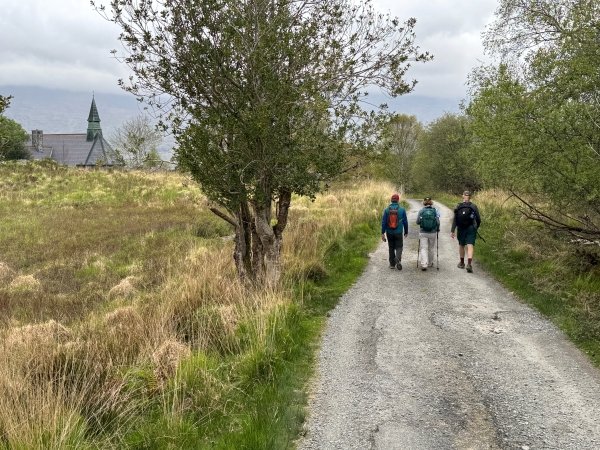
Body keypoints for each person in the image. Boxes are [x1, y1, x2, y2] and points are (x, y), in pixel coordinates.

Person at [450, 190, 482, 273]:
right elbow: (478, 219)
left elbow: (455, 219)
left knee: (461, 245)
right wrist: (476, 227)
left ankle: (461, 263)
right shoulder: (473, 206)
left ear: (463, 196)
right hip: (471, 228)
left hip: (461, 228)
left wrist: (452, 230)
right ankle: (469, 264)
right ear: (470, 197)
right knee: (470, 245)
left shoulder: (458, 206)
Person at [381, 193, 408, 270]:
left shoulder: (386, 210)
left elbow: (384, 222)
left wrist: (382, 233)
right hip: (398, 232)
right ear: (398, 200)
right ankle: (397, 258)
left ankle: (392, 264)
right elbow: (405, 222)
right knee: (399, 246)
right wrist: (406, 231)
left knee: (391, 247)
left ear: (391, 200)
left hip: (389, 232)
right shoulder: (402, 210)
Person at [416, 197, 440, 271]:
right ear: (431, 202)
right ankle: (430, 263)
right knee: (431, 248)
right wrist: (438, 229)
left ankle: (424, 264)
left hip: (423, 232)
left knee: (423, 248)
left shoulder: (421, 211)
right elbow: (438, 222)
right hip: (432, 232)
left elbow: (417, 222)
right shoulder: (435, 211)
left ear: (424, 203)